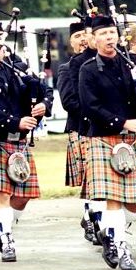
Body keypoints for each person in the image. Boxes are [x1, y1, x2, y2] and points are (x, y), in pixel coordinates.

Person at [79, 15, 136, 270]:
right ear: (93, 39)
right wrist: (124, 122)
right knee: (114, 200)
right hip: (105, 137)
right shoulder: (88, 69)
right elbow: (91, 107)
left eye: (112, 32)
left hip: (134, 139)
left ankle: (110, 233)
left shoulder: (133, 63)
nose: (109, 37)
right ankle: (123, 249)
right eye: (103, 34)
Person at [0, 30, 50, 262]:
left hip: (18, 142)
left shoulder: (17, 67)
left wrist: (43, 105)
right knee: (1, 193)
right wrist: (15, 122)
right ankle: (6, 237)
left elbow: (44, 90)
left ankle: (2, 224)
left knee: (23, 196)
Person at [57, 21, 95, 242]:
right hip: (80, 127)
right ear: (70, 42)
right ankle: (90, 217)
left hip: (99, 128)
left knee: (97, 178)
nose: (82, 39)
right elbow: (69, 102)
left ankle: (89, 216)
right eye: (77, 36)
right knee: (89, 179)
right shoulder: (66, 68)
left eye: (85, 34)